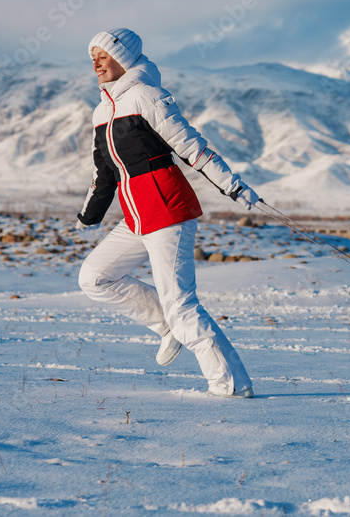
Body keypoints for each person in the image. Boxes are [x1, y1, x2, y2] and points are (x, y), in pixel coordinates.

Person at [75, 28, 258, 398]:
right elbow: (103, 174)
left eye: (103, 55)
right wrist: (89, 215)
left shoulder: (148, 97)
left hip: (168, 209)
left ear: (123, 58)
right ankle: (165, 324)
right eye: (92, 56)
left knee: (181, 303)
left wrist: (232, 184)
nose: (95, 62)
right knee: (94, 277)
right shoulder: (102, 109)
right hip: (137, 217)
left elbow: (192, 146)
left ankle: (231, 386)